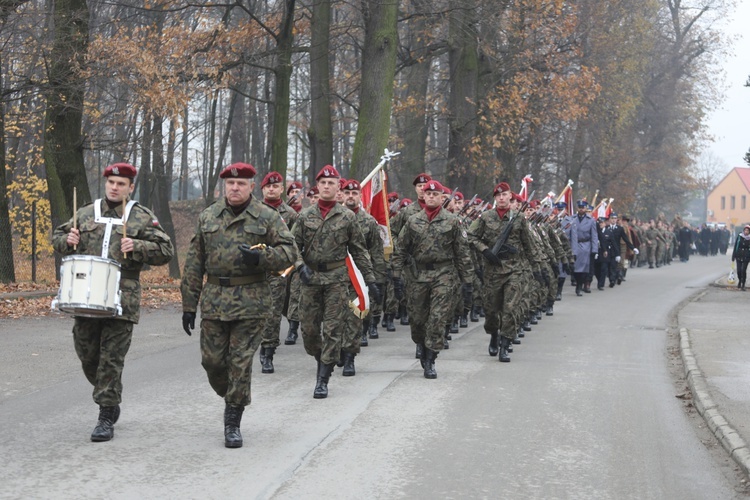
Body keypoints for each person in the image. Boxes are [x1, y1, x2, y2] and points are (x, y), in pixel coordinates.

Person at [52, 163, 174, 442]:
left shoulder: (140, 216)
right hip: (86, 295)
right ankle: (110, 395)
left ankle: (106, 414)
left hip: (123, 296)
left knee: (111, 358)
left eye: (121, 183)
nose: (115, 187)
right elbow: (57, 238)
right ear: (105, 183)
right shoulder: (84, 213)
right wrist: (66, 240)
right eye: (111, 182)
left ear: (130, 187)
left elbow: (166, 250)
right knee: (87, 355)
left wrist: (139, 247)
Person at [181, 163, 296, 448]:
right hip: (215, 300)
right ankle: (233, 395)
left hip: (251, 301)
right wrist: (188, 304)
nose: (235, 188)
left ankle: (233, 419)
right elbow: (195, 262)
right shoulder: (208, 216)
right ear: (223, 186)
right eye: (230, 184)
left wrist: (262, 258)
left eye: (241, 184)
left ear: (251, 186)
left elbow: (290, 251)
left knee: (240, 363)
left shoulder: (267, 216)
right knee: (213, 362)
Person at [292, 165, 378, 399]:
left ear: (337, 187)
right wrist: (300, 267)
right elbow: (292, 246)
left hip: (337, 280)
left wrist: (370, 280)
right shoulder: (304, 216)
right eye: (323, 183)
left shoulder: (348, 217)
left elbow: (359, 251)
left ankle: (323, 378)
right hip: (310, 279)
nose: (327, 186)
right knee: (309, 331)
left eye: (331, 183)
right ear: (317, 187)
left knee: (332, 329)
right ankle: (323, 358)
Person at [392, 180, 473, 377]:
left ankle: (431, 359)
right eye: (428, 194)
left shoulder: (453, 221)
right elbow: (400, 249)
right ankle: (421, 344)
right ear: (424, 196)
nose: (431, 197)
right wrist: (395, 275)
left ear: (441, 198)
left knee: (438, 318)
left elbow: (462, 252)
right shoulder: (413, 221)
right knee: (418, 320)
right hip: (417, 274)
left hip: (443, 274)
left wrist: (467, 282)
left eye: (435, 194)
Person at [468, 182, 534, 362]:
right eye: (498, 196)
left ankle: (505, 344)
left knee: (510, 309)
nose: (502, 198)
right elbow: (471, 236)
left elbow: (529, 245)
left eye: (505, 195)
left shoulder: (519, 218)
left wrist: (536, 267)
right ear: (495, 198)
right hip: (492, 270)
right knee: (491, 311)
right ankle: (494, 335)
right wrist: (485, 250)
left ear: (510, 196)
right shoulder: (485, 217)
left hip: (514, 270)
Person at [341, 178, 386, 373]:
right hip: (334, 274)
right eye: (347, 193)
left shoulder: (369, 222)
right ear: (341, 195)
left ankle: (350, 356)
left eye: (354, 193)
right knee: (334, 318)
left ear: (360, 196)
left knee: (354, 316)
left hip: (359, 275)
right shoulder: (333, 217)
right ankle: (337, 350)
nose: (351, 196)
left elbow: (376, 252)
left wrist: (378, 279)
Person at [258, 171, 300, 374]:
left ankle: (268, 352)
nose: (272, 189)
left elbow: (296, 244)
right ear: (263, 189)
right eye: (268, 186)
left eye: (275, 186)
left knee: (273, 312)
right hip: (253, 270)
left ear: (282, 189)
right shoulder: (252, 211)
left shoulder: (290, 215)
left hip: (277, 271)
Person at [566, 200, 598, 296]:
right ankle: (576, 281)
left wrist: (594, 249)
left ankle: (579, 286)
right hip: (574, 244)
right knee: (574, 268)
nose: (581, 209)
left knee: (584, 268)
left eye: (583, 208)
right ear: (577, 208)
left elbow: (594, 236)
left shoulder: (591, 220)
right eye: (579, 207)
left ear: (586, 208)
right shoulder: (572, 219)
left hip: (585, 245)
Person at [732, 225, 750, 290]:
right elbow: (736, 246)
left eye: (748, 230)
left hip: (746, 256)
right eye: (745, 230)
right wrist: (733, 255)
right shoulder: (740, 237)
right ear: (743, 230)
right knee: (739, 270)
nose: (746, 232)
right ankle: (740, 280)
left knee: (743, 270)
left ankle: (743, 284)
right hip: (739, 255)